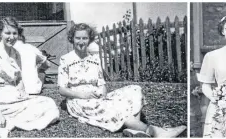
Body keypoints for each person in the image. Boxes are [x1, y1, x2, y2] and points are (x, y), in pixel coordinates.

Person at [57, 23, 186, 137]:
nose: (81, 41)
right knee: (115, 109)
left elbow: (102, 83)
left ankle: (135, 130)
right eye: (77, 38)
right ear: (72, 39)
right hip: (79, 100)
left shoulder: (94, 59)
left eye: (84, 38)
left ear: (89, 39)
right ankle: (154, 131)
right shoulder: (65, 59)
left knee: (135, 89)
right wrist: (83, 95)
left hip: (97, 96)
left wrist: (103, 92)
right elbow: (62, 89)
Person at [0, 16, 59, 137]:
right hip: (2, 100)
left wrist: (23, 92)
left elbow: (19, 77)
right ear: (0, 34)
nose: (11, 37)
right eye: (7, 33)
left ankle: (11, 122)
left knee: (50, 105)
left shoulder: (16, 53)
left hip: (18, 98)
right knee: (43, 111)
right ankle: (3, 119)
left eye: (14, 33)